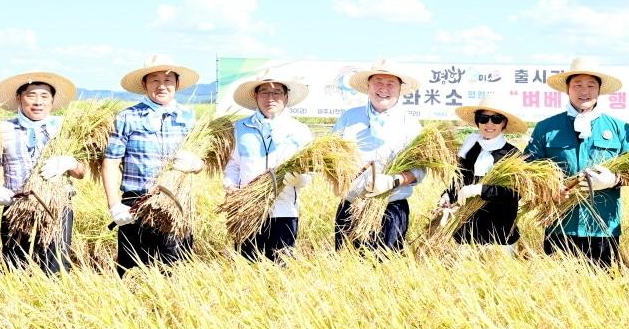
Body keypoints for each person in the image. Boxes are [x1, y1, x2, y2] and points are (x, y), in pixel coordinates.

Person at [525, 56, 629, 266]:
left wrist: (613, 180)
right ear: (568, 88)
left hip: (603, 226)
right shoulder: (546, 127)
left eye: (590, 85)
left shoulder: (619, 128)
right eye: (577, 85)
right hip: (559, 224)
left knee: (602, 290)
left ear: (599, 90)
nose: (584, 91)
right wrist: (549, 186)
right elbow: (529, 168)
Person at [102, 54, 204, 276]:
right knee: (133, 272)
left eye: (168, 80)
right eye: (154, 80)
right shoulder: (128, 117)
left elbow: (201, 162)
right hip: (136, 202)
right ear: (144, 84)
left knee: (175, 269)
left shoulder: (189, 118)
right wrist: (114, 205)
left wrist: (197, 164)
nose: (162, 86)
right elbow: (110, 162)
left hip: (176, 201)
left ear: (177, 84)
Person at [0, 71, 85, 273]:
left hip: (57, 206)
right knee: (15, 268)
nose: (38, 102)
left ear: (52, 100)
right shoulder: (1, 129)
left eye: (44, 96)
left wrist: (69, 162)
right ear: (19, 98)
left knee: (56, 269)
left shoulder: (65, 129)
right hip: (16, 205)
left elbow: (81, 172)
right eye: (31, 95)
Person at [332, 59, 424, 250]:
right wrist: (336, 176)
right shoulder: (349, 118)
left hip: (391, 210)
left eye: (391, 84)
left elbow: (420, 169)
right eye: (378, 82)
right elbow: (331, 155)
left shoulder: (411, 125)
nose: (384, 89)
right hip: (351, 206)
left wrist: (393, 181)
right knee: (345, 269)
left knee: (384, 272)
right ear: (368, 85)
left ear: (400, 88)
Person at [224, 71, 313, 261]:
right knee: (248, 267)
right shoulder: (239, 128)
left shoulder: (300, 131)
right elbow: (232, 165)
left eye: (276, 92)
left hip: (285, 211)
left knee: (283, 267)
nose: (270, 98)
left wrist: (300, 180)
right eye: (264, 92)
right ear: (255, 96)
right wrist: (230, 185)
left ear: (286, 97)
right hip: (248, 210)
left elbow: (309, 171)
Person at [438, 98, 526, 251]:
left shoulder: (512, 155)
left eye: (496, 119)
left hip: (500, 234)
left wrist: (479, 190)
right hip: (467, 231)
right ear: (477, 121)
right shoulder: (471, 149)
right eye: (483, 118)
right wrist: (446, 196)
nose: (489, 124)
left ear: (504, 123)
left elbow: (515, 193)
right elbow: (460, 179)